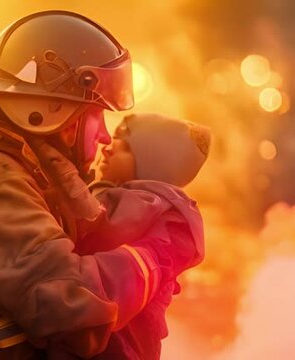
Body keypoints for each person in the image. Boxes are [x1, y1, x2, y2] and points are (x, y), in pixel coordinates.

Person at [0, 11, 190, 359]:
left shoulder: (8, 169)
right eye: (96, 115)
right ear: (54, 111)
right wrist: (154, 258)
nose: (104, 136)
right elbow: (74, 311)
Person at [69, 113, 210, 359]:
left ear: (153, 163)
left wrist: (57, 280)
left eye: (125, 148)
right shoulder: (100, 197)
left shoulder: (170, 227)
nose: (107, 148)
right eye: (112, 140)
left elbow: (116, 283)